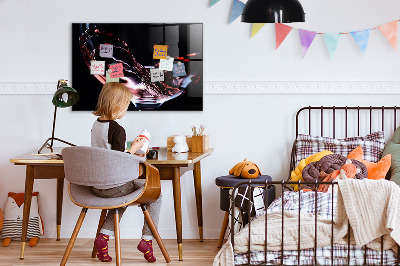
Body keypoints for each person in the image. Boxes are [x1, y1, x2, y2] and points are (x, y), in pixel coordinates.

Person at [91, 82, 162, 263]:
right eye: (126, 106)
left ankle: (104, 238)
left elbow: (108, 154)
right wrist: (136, 149)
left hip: (97, 186)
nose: (126, 110)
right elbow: (119, 161)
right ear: (117, 105)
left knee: (121, 198)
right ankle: (147, 240)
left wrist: (132, 150)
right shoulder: (117, 129)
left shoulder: (96, 125)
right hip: (114, 186)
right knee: (156, 194)